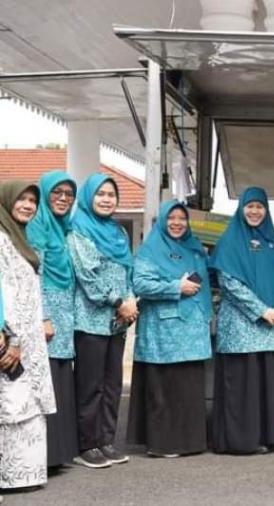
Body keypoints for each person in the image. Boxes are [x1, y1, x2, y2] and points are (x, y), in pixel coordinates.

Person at [210, 187, 274, 455]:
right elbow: (228, 283)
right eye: (250, 206)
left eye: (260, 206)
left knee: (266, 384)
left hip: (271, 328)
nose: (255, 211)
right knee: (242, 386)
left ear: (266, 210)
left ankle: (267, 437)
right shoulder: (230, 242)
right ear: (241, 208)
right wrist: (262, 311)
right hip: (241, 329)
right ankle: (240, 442)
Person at [127, 200, 212, 458]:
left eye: (181, 218)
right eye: (171, 218)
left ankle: (190, 443)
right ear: (162, 221)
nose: (177, 223)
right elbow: (141, 284)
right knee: (165, 388)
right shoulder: (149, 251)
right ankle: (163, 444)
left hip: (193, 330)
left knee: (188, 387)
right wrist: (177, 287)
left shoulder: (195, 249)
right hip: (164, 332)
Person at [68, 174, 137, 469]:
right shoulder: (79, 230)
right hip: (91, 320)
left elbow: (127, 271)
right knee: (90, 385)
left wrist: (131, 302)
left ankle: (106, 440)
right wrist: (119, 302)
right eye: (101, 194)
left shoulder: (119, 232)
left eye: (111, 194)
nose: (107, 199)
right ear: (89, 197)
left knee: (112, 384)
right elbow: (87, 276)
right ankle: (87, 444)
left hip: (117, 322)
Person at [0, 180, 56, 490]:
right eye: (20, 199)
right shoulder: (1, 239)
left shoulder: (16, 237)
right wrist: (15, 337)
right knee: (12, 403)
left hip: (28, 338)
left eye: (32, 201)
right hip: (12, 339)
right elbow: (4, 292)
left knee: (25, 403)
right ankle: (9, 474)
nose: (27, 205)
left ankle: (23, 474)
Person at [26, 171, 79, 469]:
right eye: (56, 192)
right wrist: (43, 317)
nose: (62, 198)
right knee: (45, 382)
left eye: (68, 194)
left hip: (65, 316)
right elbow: (36, 274)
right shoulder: (38, 226)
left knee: (59, 381)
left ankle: (57, 454)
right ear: (46, 195)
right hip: (47, 315)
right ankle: (43, 456)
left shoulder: (64, 227)